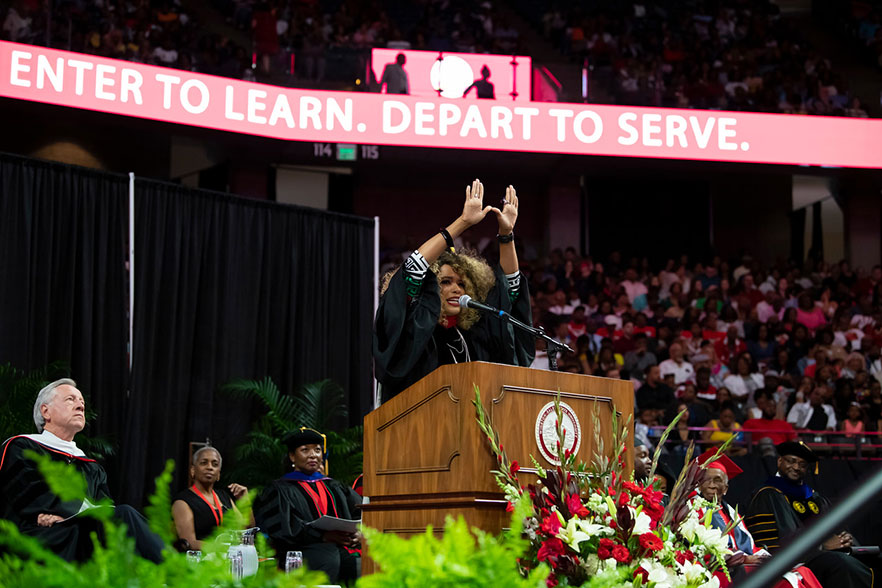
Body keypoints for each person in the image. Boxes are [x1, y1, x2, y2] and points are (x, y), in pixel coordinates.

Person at [373, 179, 533, 401]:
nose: (456, 289)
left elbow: (510, 292)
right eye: (446, 282)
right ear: (427, 290)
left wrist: (506, 235)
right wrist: (463, 222)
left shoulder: (474, 334)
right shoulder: (413, 329)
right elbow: (412, 270)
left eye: (462, 284)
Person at [0, 379, 164, 563]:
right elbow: (30, 494)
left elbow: (105, 507)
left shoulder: (91, 466)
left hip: (77, 533)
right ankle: (179, 570)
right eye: (71, 399)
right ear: (46, 411)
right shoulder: (22, 447)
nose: (80, 405)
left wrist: (71, 516)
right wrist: (70, 513)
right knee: (124, 516)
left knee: (119, 527)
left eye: (82, 402)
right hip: (35, 538)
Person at [746, 441, 873, 588]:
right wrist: (822, 546)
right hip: (791, 562)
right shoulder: (768, 494)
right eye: (791, 461)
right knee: (841, 563)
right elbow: (781, 540)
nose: (796, 467)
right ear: (780, 461)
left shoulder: (814, 497)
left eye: (802, 464)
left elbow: (835, 527)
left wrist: (845, 540)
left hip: (823, 556)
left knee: (872, 558)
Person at [253, 428, 362, 583]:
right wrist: (322, 536)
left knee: (360, 563)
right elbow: (283, 529)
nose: (313, 455)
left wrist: (358, 533)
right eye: (305, 450)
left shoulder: (335, 486)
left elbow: (361, 511)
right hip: (300, 551)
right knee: (329, 557)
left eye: (317, 450)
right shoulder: (279, 489)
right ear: (292, 456)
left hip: (339, 548)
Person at [694, 449, 769, 563]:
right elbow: (701, 549)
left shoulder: (733, 514)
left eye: (717, 480)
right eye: (705, 480)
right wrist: (743, 559)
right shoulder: (694, 509)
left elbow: (750, 548)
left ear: (725, 489)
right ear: (699, 485)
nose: (711, 485)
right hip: (718, 569)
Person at [172, 446, 248, 550]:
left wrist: (245, 500)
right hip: (202, 562)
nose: (210, 467)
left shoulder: (224, 496)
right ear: (193, 470)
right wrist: (221, 548)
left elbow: (246, 529)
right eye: (204, 463)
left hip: (229, 559)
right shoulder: (182, 501)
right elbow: (188, 542)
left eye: (215, 464)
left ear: (218, 474)